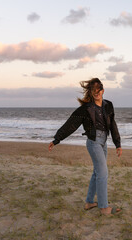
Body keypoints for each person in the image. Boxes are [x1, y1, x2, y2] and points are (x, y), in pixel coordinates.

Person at [48, 78, 122, 215]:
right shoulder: (85, 109)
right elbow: (71, 124)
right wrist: (57, 139)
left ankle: (89, 202)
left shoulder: (108, 105)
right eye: (93, 90)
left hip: (104, 142)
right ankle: (104, 207)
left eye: (98, 89)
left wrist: (118, 143)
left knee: (97, 172)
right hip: (93, 142)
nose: (96, 92)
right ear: (91, 92)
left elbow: (112, 125)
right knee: (103, 173)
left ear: (102, 90)